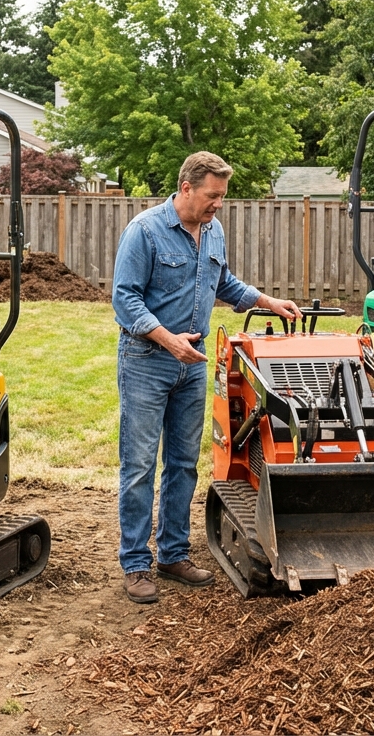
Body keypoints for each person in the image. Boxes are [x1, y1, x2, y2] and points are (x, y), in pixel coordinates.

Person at [111, 151, 302, 604]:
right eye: (213, 196)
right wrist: (167, 339)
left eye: (222, 197)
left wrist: (267, 302)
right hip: (147, 360)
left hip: (192, 365)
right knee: (139, 466)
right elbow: (124, 299)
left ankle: (173, 555)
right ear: (186, 188)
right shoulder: (144, 231)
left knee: (182, 463)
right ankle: (135, 564)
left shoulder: (213, 230)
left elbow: (224, 284)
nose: (219, 204)